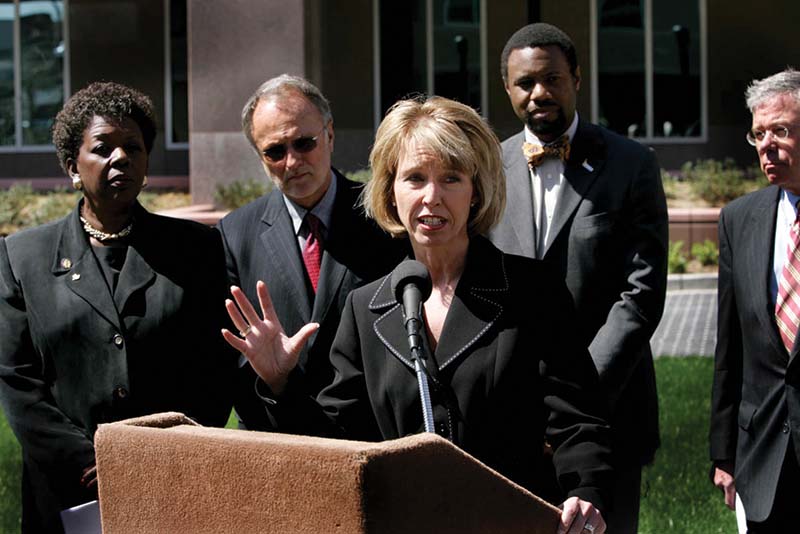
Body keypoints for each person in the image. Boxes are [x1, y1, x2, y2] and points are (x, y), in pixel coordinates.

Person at [223, 95, 614, 534]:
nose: (432, 197)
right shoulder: (366, 307)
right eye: (414, 178)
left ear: (476, 190)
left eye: (451, 178)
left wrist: (586, 491)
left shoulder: (531, 289)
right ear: (391, 191)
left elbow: (577, 417)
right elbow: (338, 445)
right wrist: (281, 383)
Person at [0, 82, 236, 533]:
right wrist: (90, 462)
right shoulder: (21, 258)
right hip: (66, 492)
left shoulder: (195, 249)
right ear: (72, 164)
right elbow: (17, 381)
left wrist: (165, 455)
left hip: (172, 481)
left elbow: (216, 365)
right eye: (103, 147)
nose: (121, 158)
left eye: (133, 147)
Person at [488, 23, 668, 533]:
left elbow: (640, 296)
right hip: (512, 413)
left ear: (576, 80)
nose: (539, 93)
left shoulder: (632, 164)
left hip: (608, 406)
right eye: (525, 83)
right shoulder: (487, 167)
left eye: (552, 79)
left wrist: (578, 395)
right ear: (508, 89)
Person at [217, 74, 404, 430]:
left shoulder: (386, 217)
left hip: (373, 435)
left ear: (330, 135)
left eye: (304, 143)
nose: (291, 162)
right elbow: (233, 361)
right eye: (275, 151)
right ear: (259, 156)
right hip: (281, 438)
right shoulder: (235, 233)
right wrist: (274, 383)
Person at [709, 68, 800, 532]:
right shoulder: (739, 219)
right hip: (762, 453)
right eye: (758, 133)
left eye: (781, 130)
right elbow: (731, 348)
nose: (766, 144)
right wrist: (723, 453)